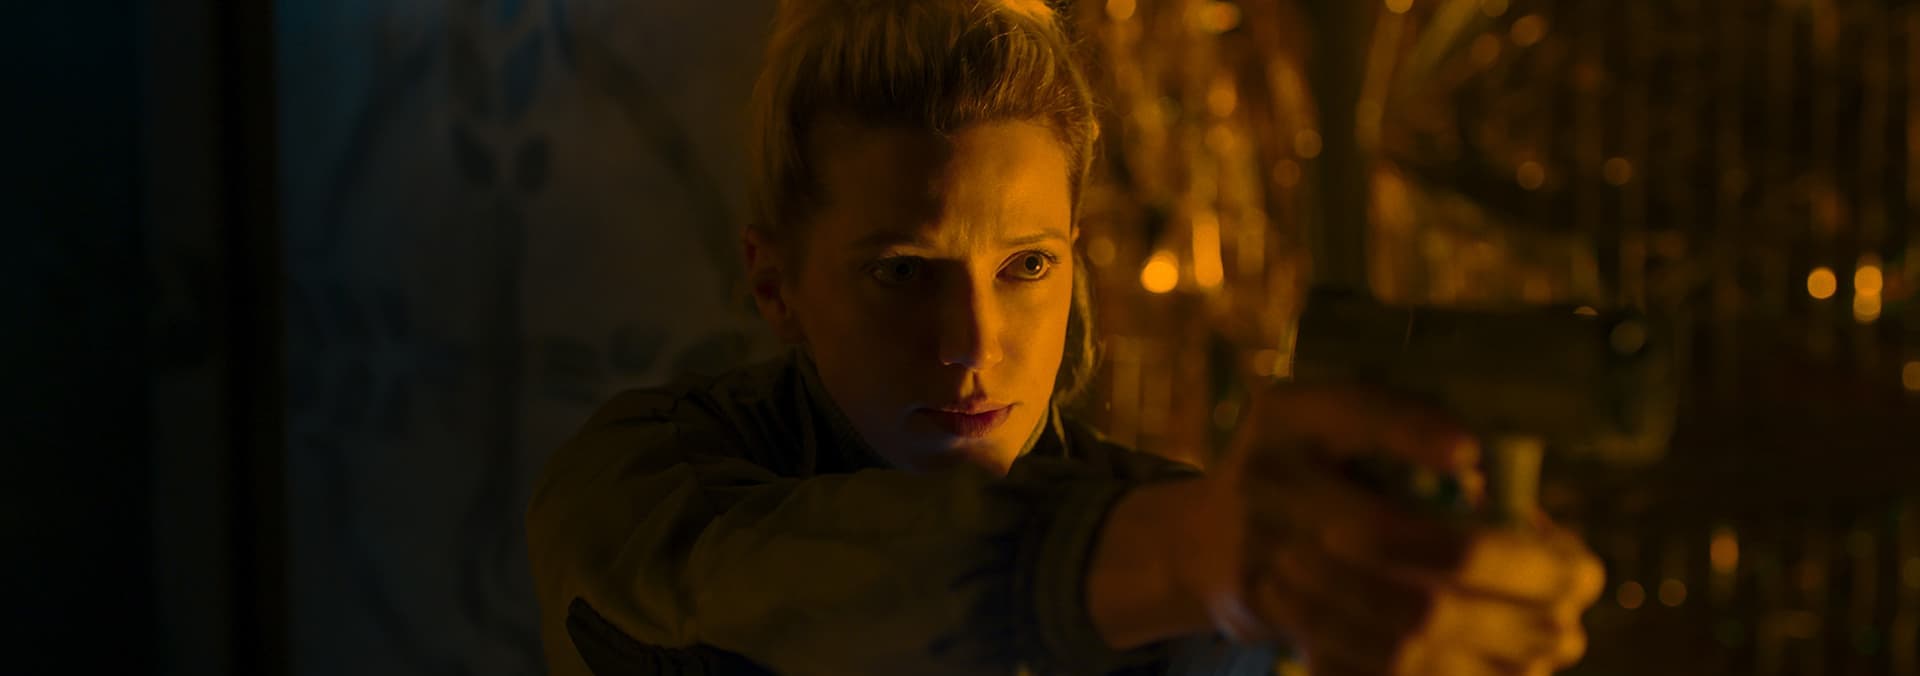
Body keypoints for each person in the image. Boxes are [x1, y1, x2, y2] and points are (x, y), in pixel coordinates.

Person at [524, 0, 1605, 674]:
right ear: (776, 284)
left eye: (1027, 265)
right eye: (902, 273)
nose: (971, 344)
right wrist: (1184, 559)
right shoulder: (642, 481)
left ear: (1077, 259)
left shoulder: (1185, 528)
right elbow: (770, 586)